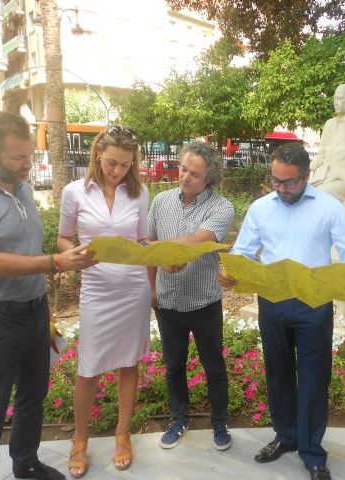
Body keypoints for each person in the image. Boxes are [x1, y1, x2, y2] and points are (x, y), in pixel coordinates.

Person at [0, 111, 96, 480]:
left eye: (30, 155)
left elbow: (25, 251)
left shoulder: (23, 189)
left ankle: (25, 463)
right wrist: (56, 262)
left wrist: (43, 298)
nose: (28, 164)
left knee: (32, 395)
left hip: (34, 309)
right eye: (18, 157)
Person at [218, 142, 345, 480]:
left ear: (306, 176)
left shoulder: (329, 207)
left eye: (289, 182)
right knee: (278, 372)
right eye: (275, 181)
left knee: (314, 377)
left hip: (314, 303)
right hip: (272, 301)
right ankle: (285, 435)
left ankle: (312, 451)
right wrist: (230, 271)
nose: (282, 188)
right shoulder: (261, 208)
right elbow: (242, 251)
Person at [57, 126, 151, 477]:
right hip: (96, 289)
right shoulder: (74, 192)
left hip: (133, 288)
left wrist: (159, 255)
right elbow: (63, 239)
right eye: (112, 162)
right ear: (98, 153)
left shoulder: (140, 192)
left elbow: (142, 239)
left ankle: (122, 434)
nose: (117, 171)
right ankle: (79, 439)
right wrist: (74, 254)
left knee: (129, 364)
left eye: (126, 165)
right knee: (89, 368)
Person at [147, 141, 235, 451]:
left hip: (204, 301)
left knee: (214, 366)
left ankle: (220, 422)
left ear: (209, 178)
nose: (185, 177)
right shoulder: (161, 201)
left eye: (194, 174)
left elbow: (197, 242)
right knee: (173, 366)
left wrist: (155, 248)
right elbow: (147, 247)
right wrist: (151, 288)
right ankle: (178, 419)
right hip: (167, 301)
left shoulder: (221, 207)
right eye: (183, 169)